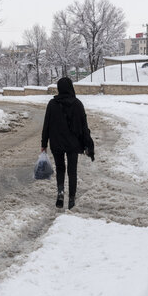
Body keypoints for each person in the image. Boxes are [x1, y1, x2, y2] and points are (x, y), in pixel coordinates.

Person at [41, 77, 94, 209]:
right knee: (72, 170)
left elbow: (46, 125)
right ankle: (71, 198)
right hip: (73, 144)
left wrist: (44, 143)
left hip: (56, 143)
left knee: (60, 168)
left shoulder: (52, 104)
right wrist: (88, 143)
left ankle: (60, 192)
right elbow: (83, 126)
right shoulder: (77, 104)